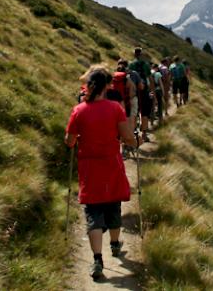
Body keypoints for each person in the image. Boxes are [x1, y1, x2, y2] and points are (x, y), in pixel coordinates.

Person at [64, 66, 137, 280]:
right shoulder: (115, 108)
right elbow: (127, 138)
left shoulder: (79, 111)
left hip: (89, 167)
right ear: (107, 86)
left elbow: (69, 142)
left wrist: (77, 138)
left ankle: (97, 259)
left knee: (93, 211)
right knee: (113, 204)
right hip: (111, 164)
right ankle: (115, 244)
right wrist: (134, 138)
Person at [129, 47, 155, 142]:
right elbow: (151, 79)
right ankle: (144, 134)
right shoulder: (146, 65)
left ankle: (133, 133)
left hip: (133, 91)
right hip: (144, 91)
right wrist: (152, 91)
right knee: (145, 113)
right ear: (141, 54)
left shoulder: (131, 64)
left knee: (134, 113)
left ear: (134, 54)